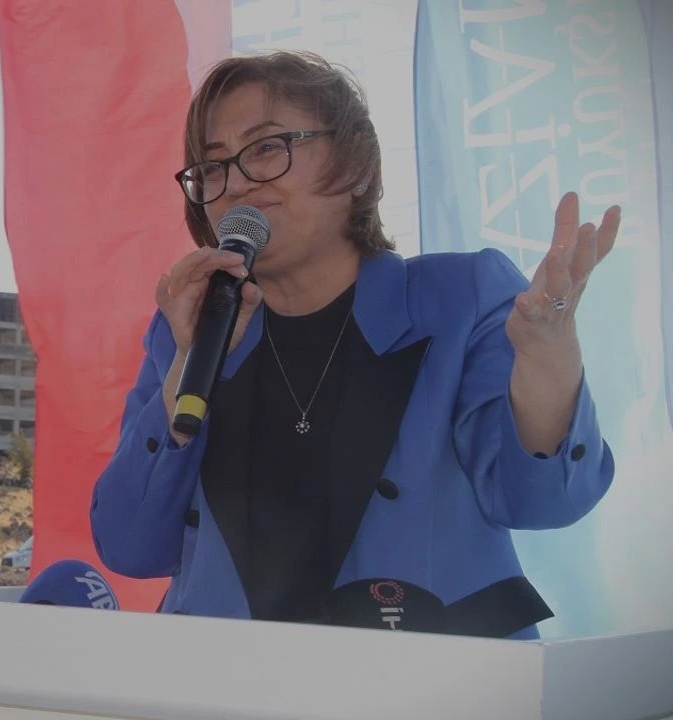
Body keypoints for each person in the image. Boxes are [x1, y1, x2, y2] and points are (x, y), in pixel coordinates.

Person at [88, 50, 619, 639]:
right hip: (229, 675)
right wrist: (188, 366)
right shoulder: (185, 329)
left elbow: (544, 502)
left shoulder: (459, 299)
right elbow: (130, 546)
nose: (234, 183)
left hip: (439, 675)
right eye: (211, 168)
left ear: (356, 165)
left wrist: (547, 354)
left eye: (266, 147)